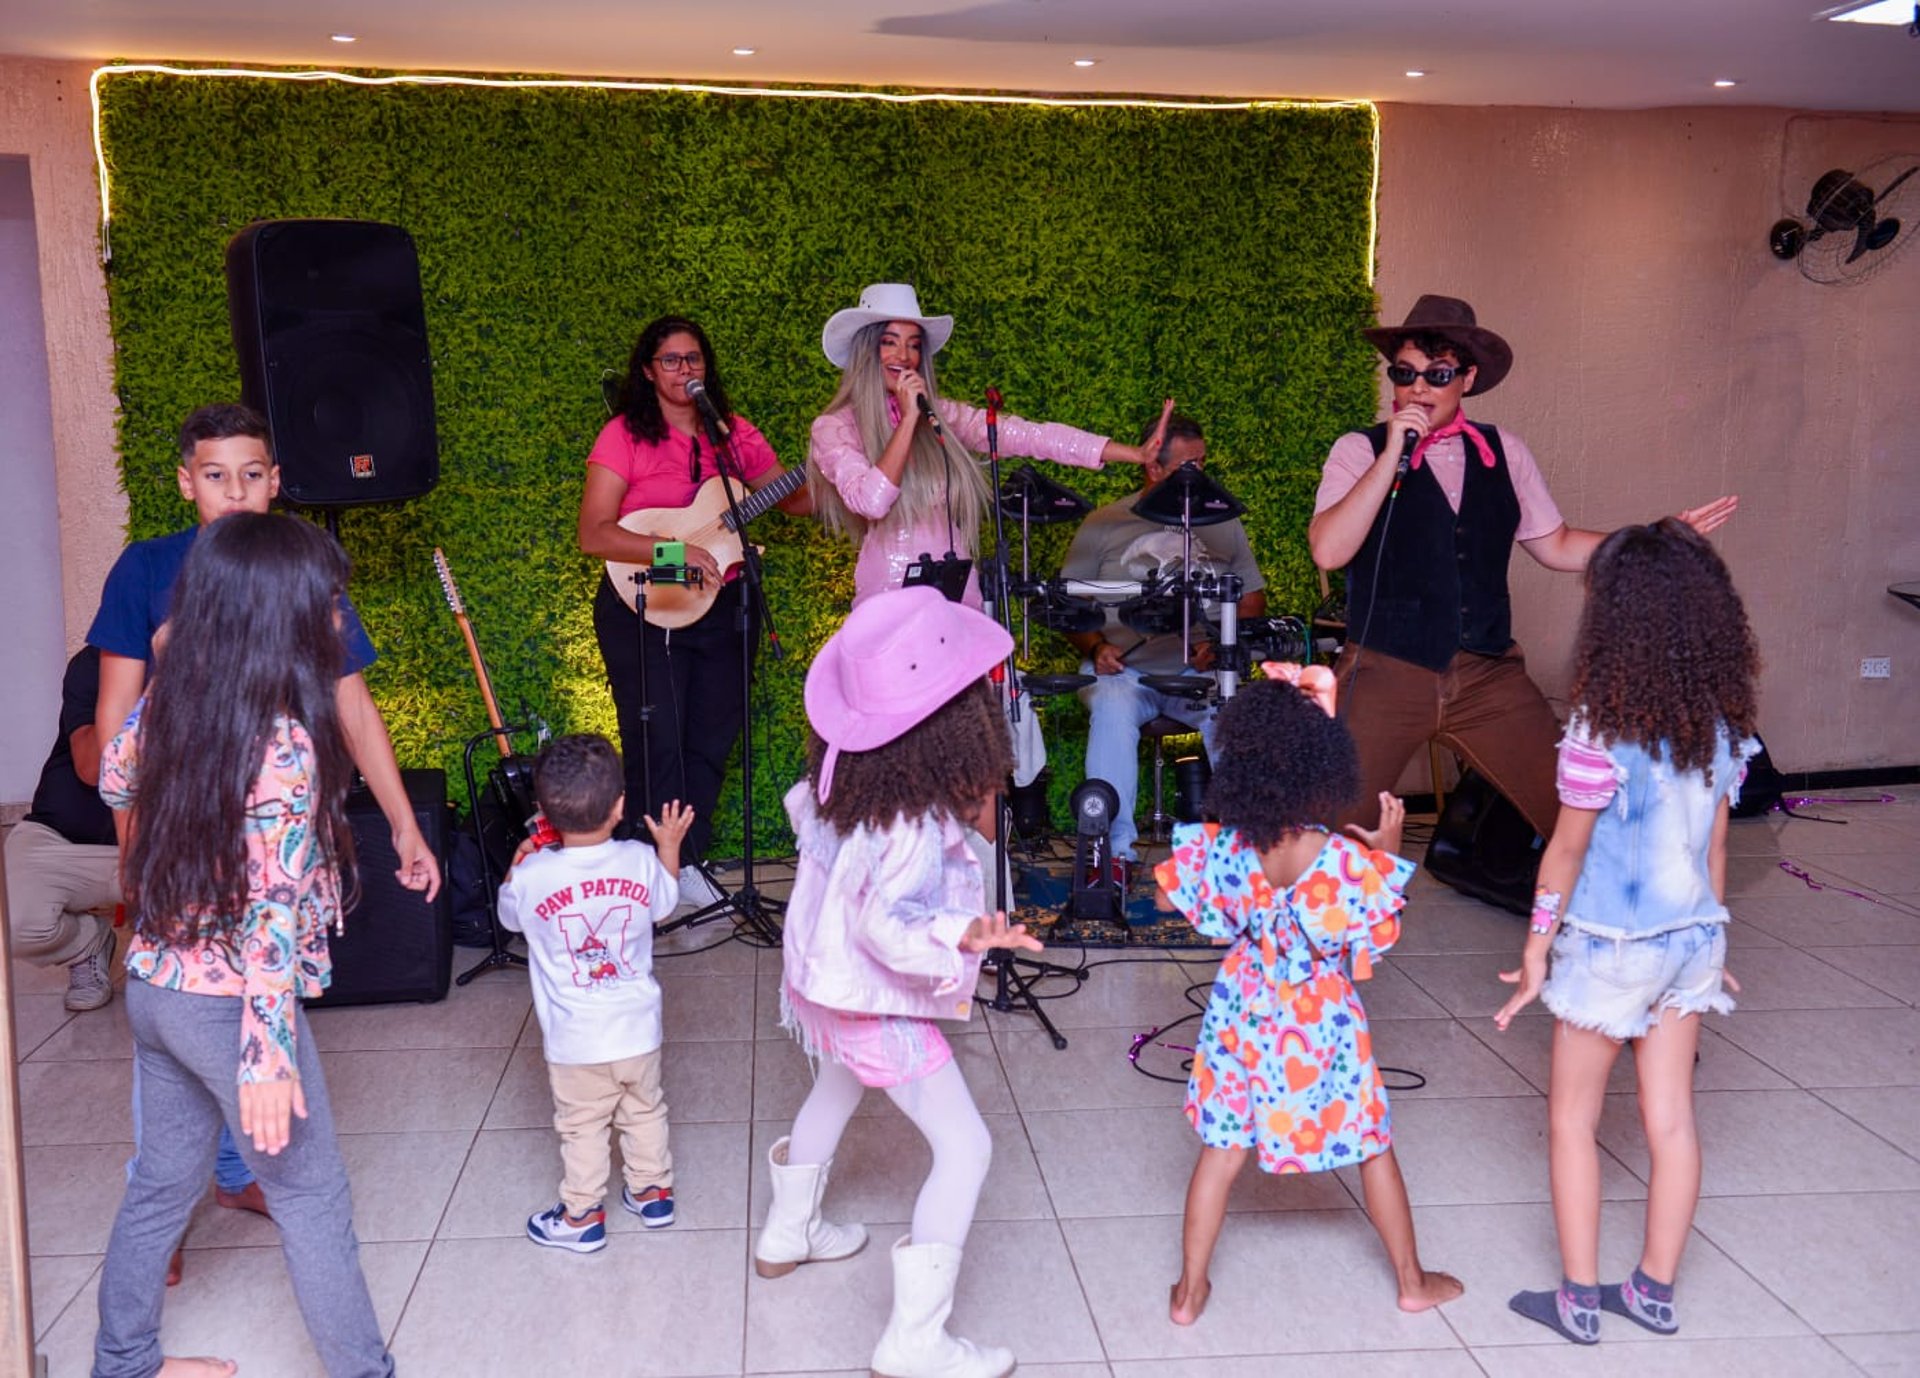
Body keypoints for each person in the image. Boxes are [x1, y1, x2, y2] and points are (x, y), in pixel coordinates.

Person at [89, 402, 436, 1282]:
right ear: (185, 481)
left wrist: (400, 820)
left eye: (252, 474)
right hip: (182, 862)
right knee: (182, 1025)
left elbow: (352, 703)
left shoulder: (299, 573)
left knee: (255, 1002)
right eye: (215, 474)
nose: (235, 491)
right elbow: (116, 726)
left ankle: (239, 1172)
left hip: (276, 842)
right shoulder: (148, 570)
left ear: (276, 482)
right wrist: (138, 865)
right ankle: (158, 1216)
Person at [91, 512, 393, 1378]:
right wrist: (266, 1056)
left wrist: (166, 669)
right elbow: (270, 911)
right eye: (325, 600)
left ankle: (124, 1364)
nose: (339, 617)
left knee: (160, 1184)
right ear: (278, 615)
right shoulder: (285, 744)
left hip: (154, 989)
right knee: (311, 1193)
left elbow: (113, 777)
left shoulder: (182, 704)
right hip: (229, 1008)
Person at [1307, 295, 1738, 837]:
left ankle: (1602, 914)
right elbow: (1328, 551)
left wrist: (1652, 539)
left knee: (1576, 813)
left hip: (1487, 673)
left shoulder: (1502, 451)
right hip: (1387, 671)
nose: (1418, 388)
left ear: (1467, 377)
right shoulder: (1358, 449)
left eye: (1437, 374)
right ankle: (1322, 920)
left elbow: (1555, 544)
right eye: (1404, 373)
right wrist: (1392, 452)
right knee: (1338, 836)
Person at [757, 586, 1043, 1378]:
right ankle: (914, 1340)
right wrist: (964, 938)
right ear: (957, 725)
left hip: (823, 985)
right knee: (966, 1146)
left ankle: (789, 1233)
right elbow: (886, 925)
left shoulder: (850, 777)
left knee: (837, 1086)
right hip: (868, 997)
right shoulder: (911, 824)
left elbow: (834, 866)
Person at [1493, 519, 1759, 1346]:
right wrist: (1713, 948)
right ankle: (1652, 1290)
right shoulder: (1721, 727)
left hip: (1610, 946)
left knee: (1574, 1120)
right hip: (1690, 943)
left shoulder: (1596, 734)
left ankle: (1577, 1298)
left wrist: (1538, 948)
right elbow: (1715, 846)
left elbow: (1566, 850)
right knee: (1671, 1121)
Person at [1157, 667, 1463, 1326]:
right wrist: (1384, 854)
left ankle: (1188, 1293)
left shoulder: (1228, 850)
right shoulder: (1342, 860)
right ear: (1319, 766)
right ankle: (1411, 1281)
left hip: (1243, 1008)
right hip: (1318, 1017)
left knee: (1222, 1150)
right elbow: (1378, 932)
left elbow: (1181, 902)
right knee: (1372, 1143)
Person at [577, 316, 810, 905]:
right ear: (649, 371)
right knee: (656, 738)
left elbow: (796, 500)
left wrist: (835, 468)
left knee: (712, 735)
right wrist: (674, 550)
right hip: (640, 605)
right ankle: (652, 871)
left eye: (695, 359)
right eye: (672, 361)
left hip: (726, 604)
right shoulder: (623, 435)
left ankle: (691, 865)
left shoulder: (733, 433)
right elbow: (594, 534)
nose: (686, 370)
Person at [809, 281, 1166, 609]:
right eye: (889, 341)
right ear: (866, 350)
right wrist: (907, 420)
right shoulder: (835, 426)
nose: (903, 355)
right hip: (889, 592)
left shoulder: (939, 416)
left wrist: (1132, 453)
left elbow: (1029, 435)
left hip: (956, 590)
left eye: (914, 345)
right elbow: (872, 502)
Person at [496, 733, 692, 1253]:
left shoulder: (534, 874)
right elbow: (664, 906)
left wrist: (519, 859)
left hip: (576, 1042)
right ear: (619, 806)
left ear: (543, 812)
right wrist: (668, 847)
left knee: (582, 1127)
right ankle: (652, 1191)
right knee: (645, 1109)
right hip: (637, 1030)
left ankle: (581, 1216)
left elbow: (509, 917)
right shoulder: (637, 859)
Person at [1058, 412, 1266, 868]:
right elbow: (1068, 607)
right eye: (1187, 467)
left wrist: (1218, 645)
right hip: (1125, 672)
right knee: (1112, 704)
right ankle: (1110, 856)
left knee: (1234, 712)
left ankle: (1249, 856)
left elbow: (1251, 598)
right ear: (1153, 466)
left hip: (1200, 671)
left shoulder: (1222, 521)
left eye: (1202, 464)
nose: (1199, 477)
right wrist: (1096, 648)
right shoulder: (1105, 522)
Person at [6, 646, 121, 1011]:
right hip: (63, 840)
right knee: (12, 920)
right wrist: (149, 686)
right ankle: (88, 943)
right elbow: (91, 768)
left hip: (164, 850)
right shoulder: (95, 663)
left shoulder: (222, 662)